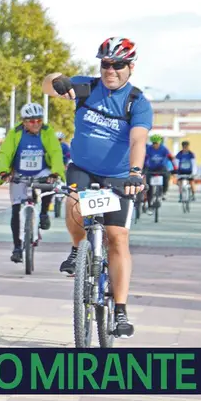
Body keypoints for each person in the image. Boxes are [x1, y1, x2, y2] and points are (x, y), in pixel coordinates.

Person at [42, 36, 152, 338]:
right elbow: (48, 86)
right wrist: (58, 80)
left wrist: (135, 172)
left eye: (117, 65)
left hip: (119, 177)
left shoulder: (137, 102)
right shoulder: (87, 88)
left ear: (130, 66)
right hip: (84, 169)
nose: (110, 70)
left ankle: (119, 311)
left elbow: (138, 139)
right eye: (105, 64)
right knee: (74, 201)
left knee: (117, 239)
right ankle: (78, 249)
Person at [0, 102, 65, 263]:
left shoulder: (47, 132)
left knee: (49, 184)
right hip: (19, 171)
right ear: (24, 121)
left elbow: (55, 151)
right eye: (32, 121)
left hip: (41, 170)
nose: (36, 124)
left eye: (39, 120)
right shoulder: (15, 133)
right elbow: (5, 152)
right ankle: (17, 247)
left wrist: (55, 172)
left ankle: (44, 213)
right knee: (15, 209)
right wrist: (4, 171)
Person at [143, 134, 175, 206]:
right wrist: (144, 167)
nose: (155, 145)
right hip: (151, 167)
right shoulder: (149, 149)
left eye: (156, 143)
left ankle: (163, 192)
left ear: (159, 142)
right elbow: (145, 158)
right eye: (153, 143)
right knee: (149, 186)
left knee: (166, 177)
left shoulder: (164, 149)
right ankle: (149, 202)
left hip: (162, 167)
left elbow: (170, 157)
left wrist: (174, 168)